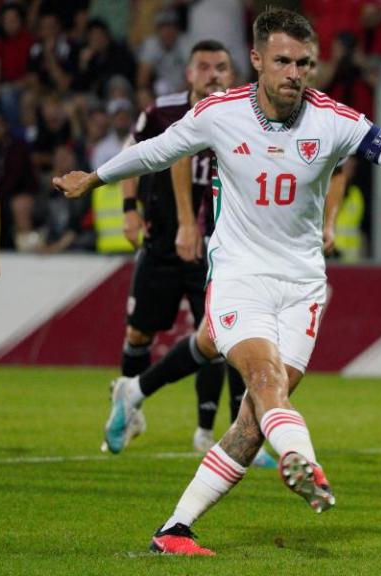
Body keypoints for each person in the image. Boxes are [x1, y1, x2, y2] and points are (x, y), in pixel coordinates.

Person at [53, 8, 381, 555]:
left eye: (304, 62)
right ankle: (303, 460)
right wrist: (95, 177)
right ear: (257, 60)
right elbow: (157, 150)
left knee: (255, 418)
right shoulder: (221, 113)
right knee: (264, 381)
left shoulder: (333, 119)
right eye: (282, 60)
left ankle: (175, 529)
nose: (294, 72)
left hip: (303, 284)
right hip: (240, 275)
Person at [111, 39, 262, 457]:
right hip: (163, 239)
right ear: (189, 73)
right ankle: (129, 406)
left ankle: (225, 433)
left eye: (221, 67)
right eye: (204, 66)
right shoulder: (162, 113)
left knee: (221, 338)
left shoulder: (246, 116)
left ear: (232, 75)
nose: (213, 74)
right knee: (139, 331)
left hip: (220, 246)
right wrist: (129, 208)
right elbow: (134, 157)